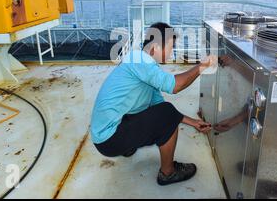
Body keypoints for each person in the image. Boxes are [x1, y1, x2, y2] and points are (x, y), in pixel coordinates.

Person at [90, 22, 216, 186]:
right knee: (166, 113)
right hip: (108, 140)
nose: (171, 54)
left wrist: (194, 123)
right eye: (170, 47)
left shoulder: (142, 63)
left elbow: (158, 106)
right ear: (156, 47)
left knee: (163, 111)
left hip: (107, 131)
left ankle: (127, 146)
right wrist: (203, 65)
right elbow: (175, 88)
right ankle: (168, 173)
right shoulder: (140, 61)